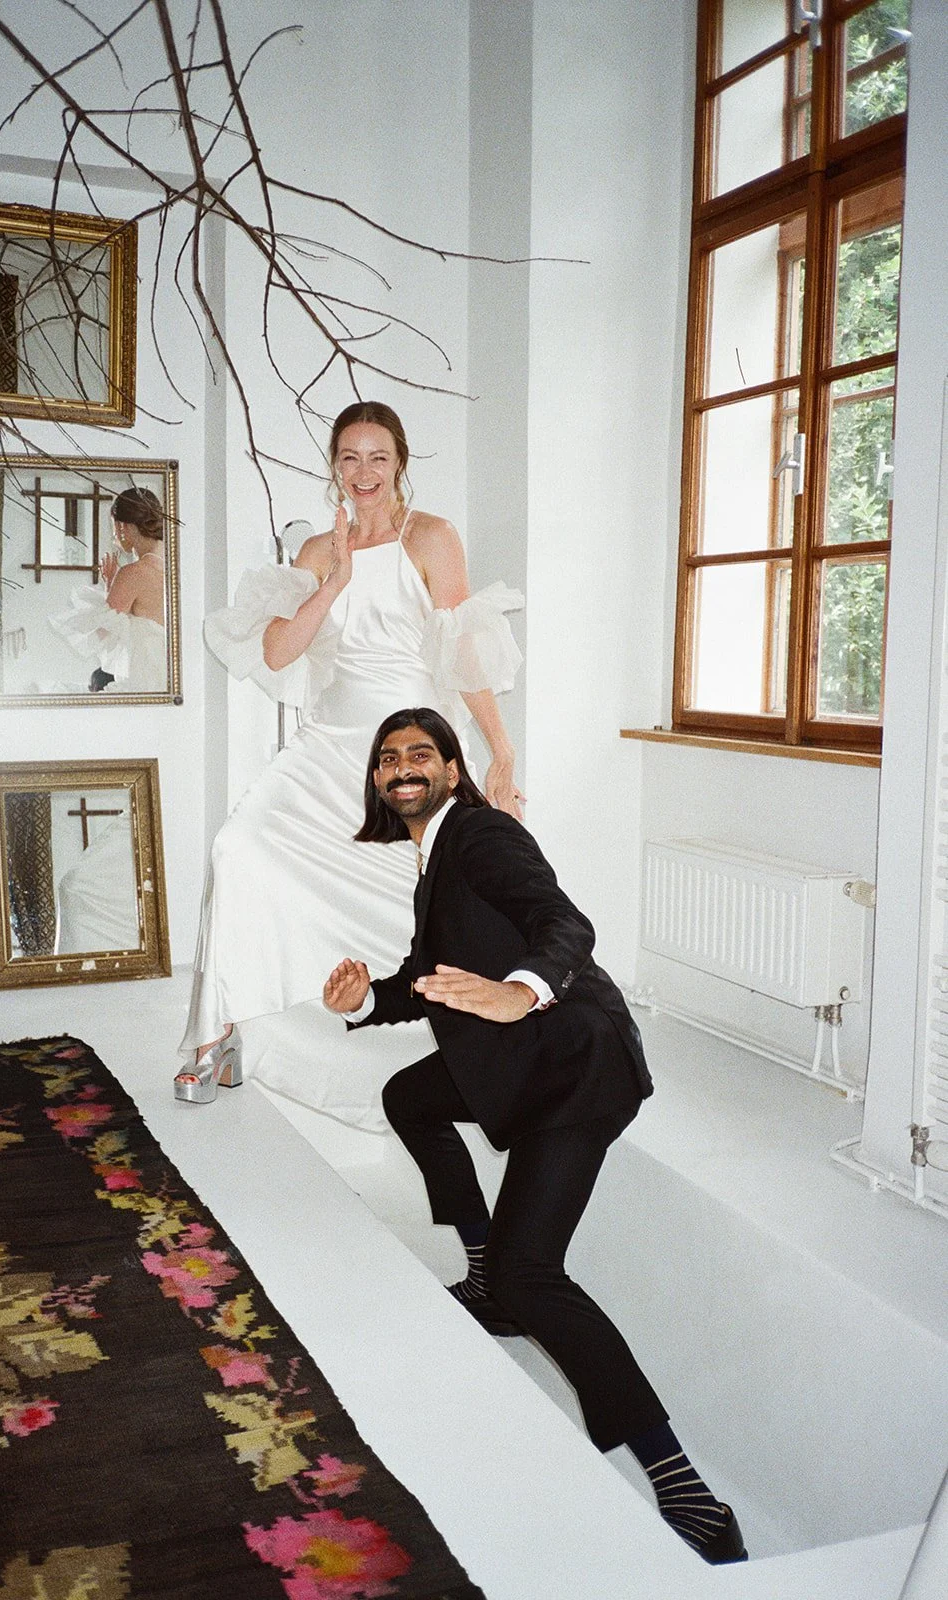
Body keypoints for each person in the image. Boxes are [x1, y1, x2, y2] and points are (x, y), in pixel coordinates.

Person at [323, 708, 747, 1566]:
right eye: (387, 757)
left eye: (420, 753)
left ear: (451, 768)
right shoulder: (435, 853)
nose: (402, 765)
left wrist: (524, 989)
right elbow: (434, 979)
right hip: (514, 1051)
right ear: (376, 782)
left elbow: (564, 924)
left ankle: (685, 1488)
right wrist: (366, 998)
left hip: (571, 1068)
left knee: (533, 1273)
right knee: (411, 1095)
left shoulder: (480, 834)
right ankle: (481, 1278)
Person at [175, 401, 524, 1107]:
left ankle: (462, 1048)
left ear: (399, 464)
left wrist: (502, 755)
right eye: (349, 459)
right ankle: (219, 1034)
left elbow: (464, 654)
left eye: (377, 458)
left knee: (430, 899)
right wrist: (332, 579)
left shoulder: (431, 538)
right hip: (325, 746)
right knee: (238, 848)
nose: (363, 473)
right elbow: (277, 651)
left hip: (408, 753)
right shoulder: (314, 553)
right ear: (333, 468)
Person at [52, 486, 167, 693]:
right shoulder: (171, 566)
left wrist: (114, 584)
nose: (115, 534)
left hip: (144, 674)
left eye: (114, 526)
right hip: (167, 674)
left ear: (124, 526)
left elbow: (105, 632)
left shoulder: (134, 572)